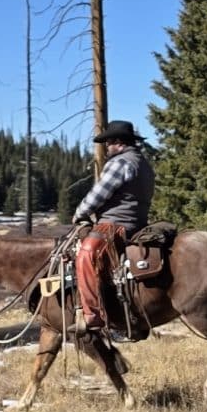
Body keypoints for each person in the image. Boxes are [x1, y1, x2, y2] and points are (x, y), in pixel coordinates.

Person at [72, 120, 156, 330]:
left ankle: (92, 314)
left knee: (86, 254)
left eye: (108, 143)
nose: (107, 147)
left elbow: (97, 195)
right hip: (138, 223)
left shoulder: (121, 162)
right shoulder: (143, 163)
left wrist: (79, 214)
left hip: (115, 225)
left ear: (118, 142)